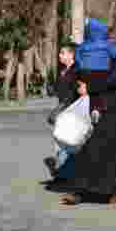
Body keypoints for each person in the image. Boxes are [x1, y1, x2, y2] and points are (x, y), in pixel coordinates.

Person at [47, 18, 116, 206]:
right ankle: (81, 192)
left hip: (109, 109)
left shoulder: (107, 54)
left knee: (108, 151)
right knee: (89, 151)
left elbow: (113, 80)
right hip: (99, 108)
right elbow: (78, 79)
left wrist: (89, 87)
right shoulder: (99, 52)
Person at [45, 41, 79, 178]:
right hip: (63, 109)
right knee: (60, 141)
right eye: (60, 53)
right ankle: (63, 170)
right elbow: (60, 90)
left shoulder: (76, 70)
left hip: (71, 110)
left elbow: (74, 93)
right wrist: (52, 89)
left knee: (66, 141)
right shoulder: (63, 71)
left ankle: (62, 170)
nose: (60, 55)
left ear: (71, 55)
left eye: (62, 53)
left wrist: (63, 107)